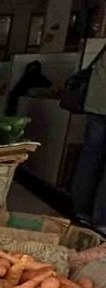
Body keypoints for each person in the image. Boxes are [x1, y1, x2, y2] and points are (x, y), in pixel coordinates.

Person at [72, 49, 106, 233]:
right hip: (98, 103)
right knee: (92, 158)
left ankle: (82, 211)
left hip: (97, 102)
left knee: (90, 157)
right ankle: (102, 219)